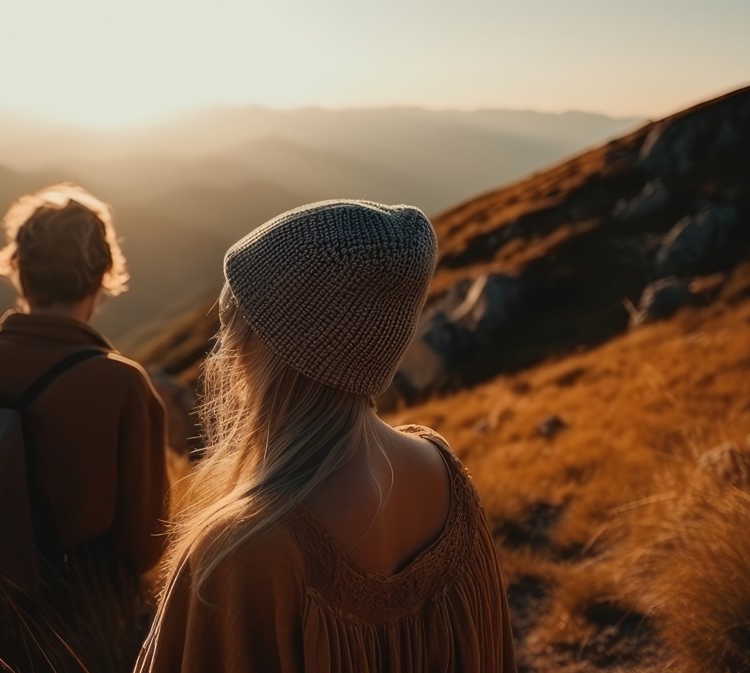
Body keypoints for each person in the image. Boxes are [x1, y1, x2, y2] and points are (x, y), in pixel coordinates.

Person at [135, 200, 517, 672]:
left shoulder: (240, 550)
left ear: (264, 353)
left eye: (235, 328)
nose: (228, 350)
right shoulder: (446, 478)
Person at [0, 184, 169, 671]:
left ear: (19, 268)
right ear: (102, 275)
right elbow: (144, 542)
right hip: (81, 633)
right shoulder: (122, 385)